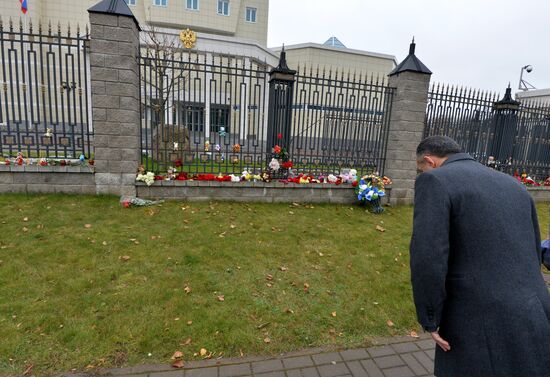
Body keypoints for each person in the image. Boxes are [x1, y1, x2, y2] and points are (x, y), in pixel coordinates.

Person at [410, 135, 550, 377]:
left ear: (429, 161)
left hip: (477, 321)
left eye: (419, 169)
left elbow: (428, 258)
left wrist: (430, 318)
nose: (421, 173)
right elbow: (532, 250)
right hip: (534, 311)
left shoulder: (434, 181)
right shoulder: (514, 185)